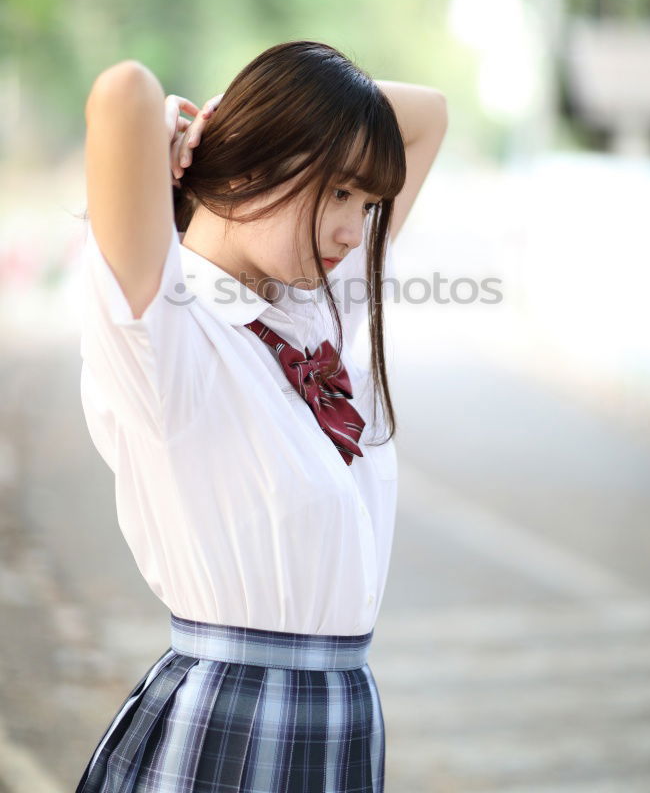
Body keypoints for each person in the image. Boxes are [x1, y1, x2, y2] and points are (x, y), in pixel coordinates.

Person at [75, 39, 448, 793]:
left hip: (343, 714)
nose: (355, 231)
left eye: (367, 203)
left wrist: (281, 117)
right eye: (339, 192)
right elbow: (124, 93)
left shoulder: (315, 304)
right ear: (250, 165)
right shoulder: (167, 331)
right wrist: (205, 131)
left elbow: (428, 115)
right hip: (231, 721)